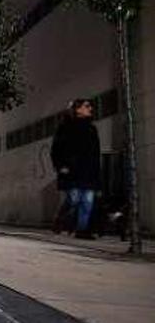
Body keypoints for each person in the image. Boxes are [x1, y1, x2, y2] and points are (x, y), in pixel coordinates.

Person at [50, 98, 101, 239]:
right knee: (74, 199)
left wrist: (97, 176)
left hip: (89, 171)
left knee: (88, 202)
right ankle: (60, 219)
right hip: (71, 170)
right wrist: (60, 166)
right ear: (77, 109)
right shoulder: (65, 127)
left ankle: (82, 230)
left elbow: (96, 153)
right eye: (87, 106)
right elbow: (56, 150)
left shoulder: (92, 129)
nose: (90, 108)